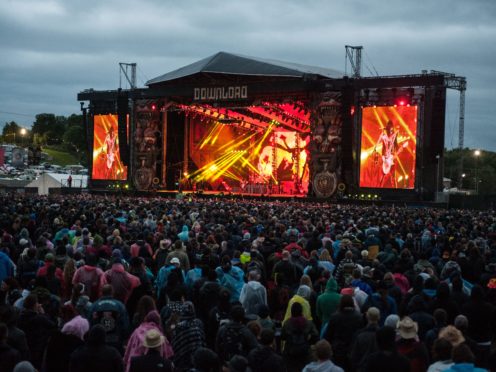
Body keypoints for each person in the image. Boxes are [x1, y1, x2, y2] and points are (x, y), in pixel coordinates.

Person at [281, 302, 318, 372]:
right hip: (305, 352)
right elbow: (316, 336)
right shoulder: (308, 323)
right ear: (301, 311)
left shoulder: (287, 323)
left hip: (290, 352)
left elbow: (282, 336)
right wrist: (308, 341)